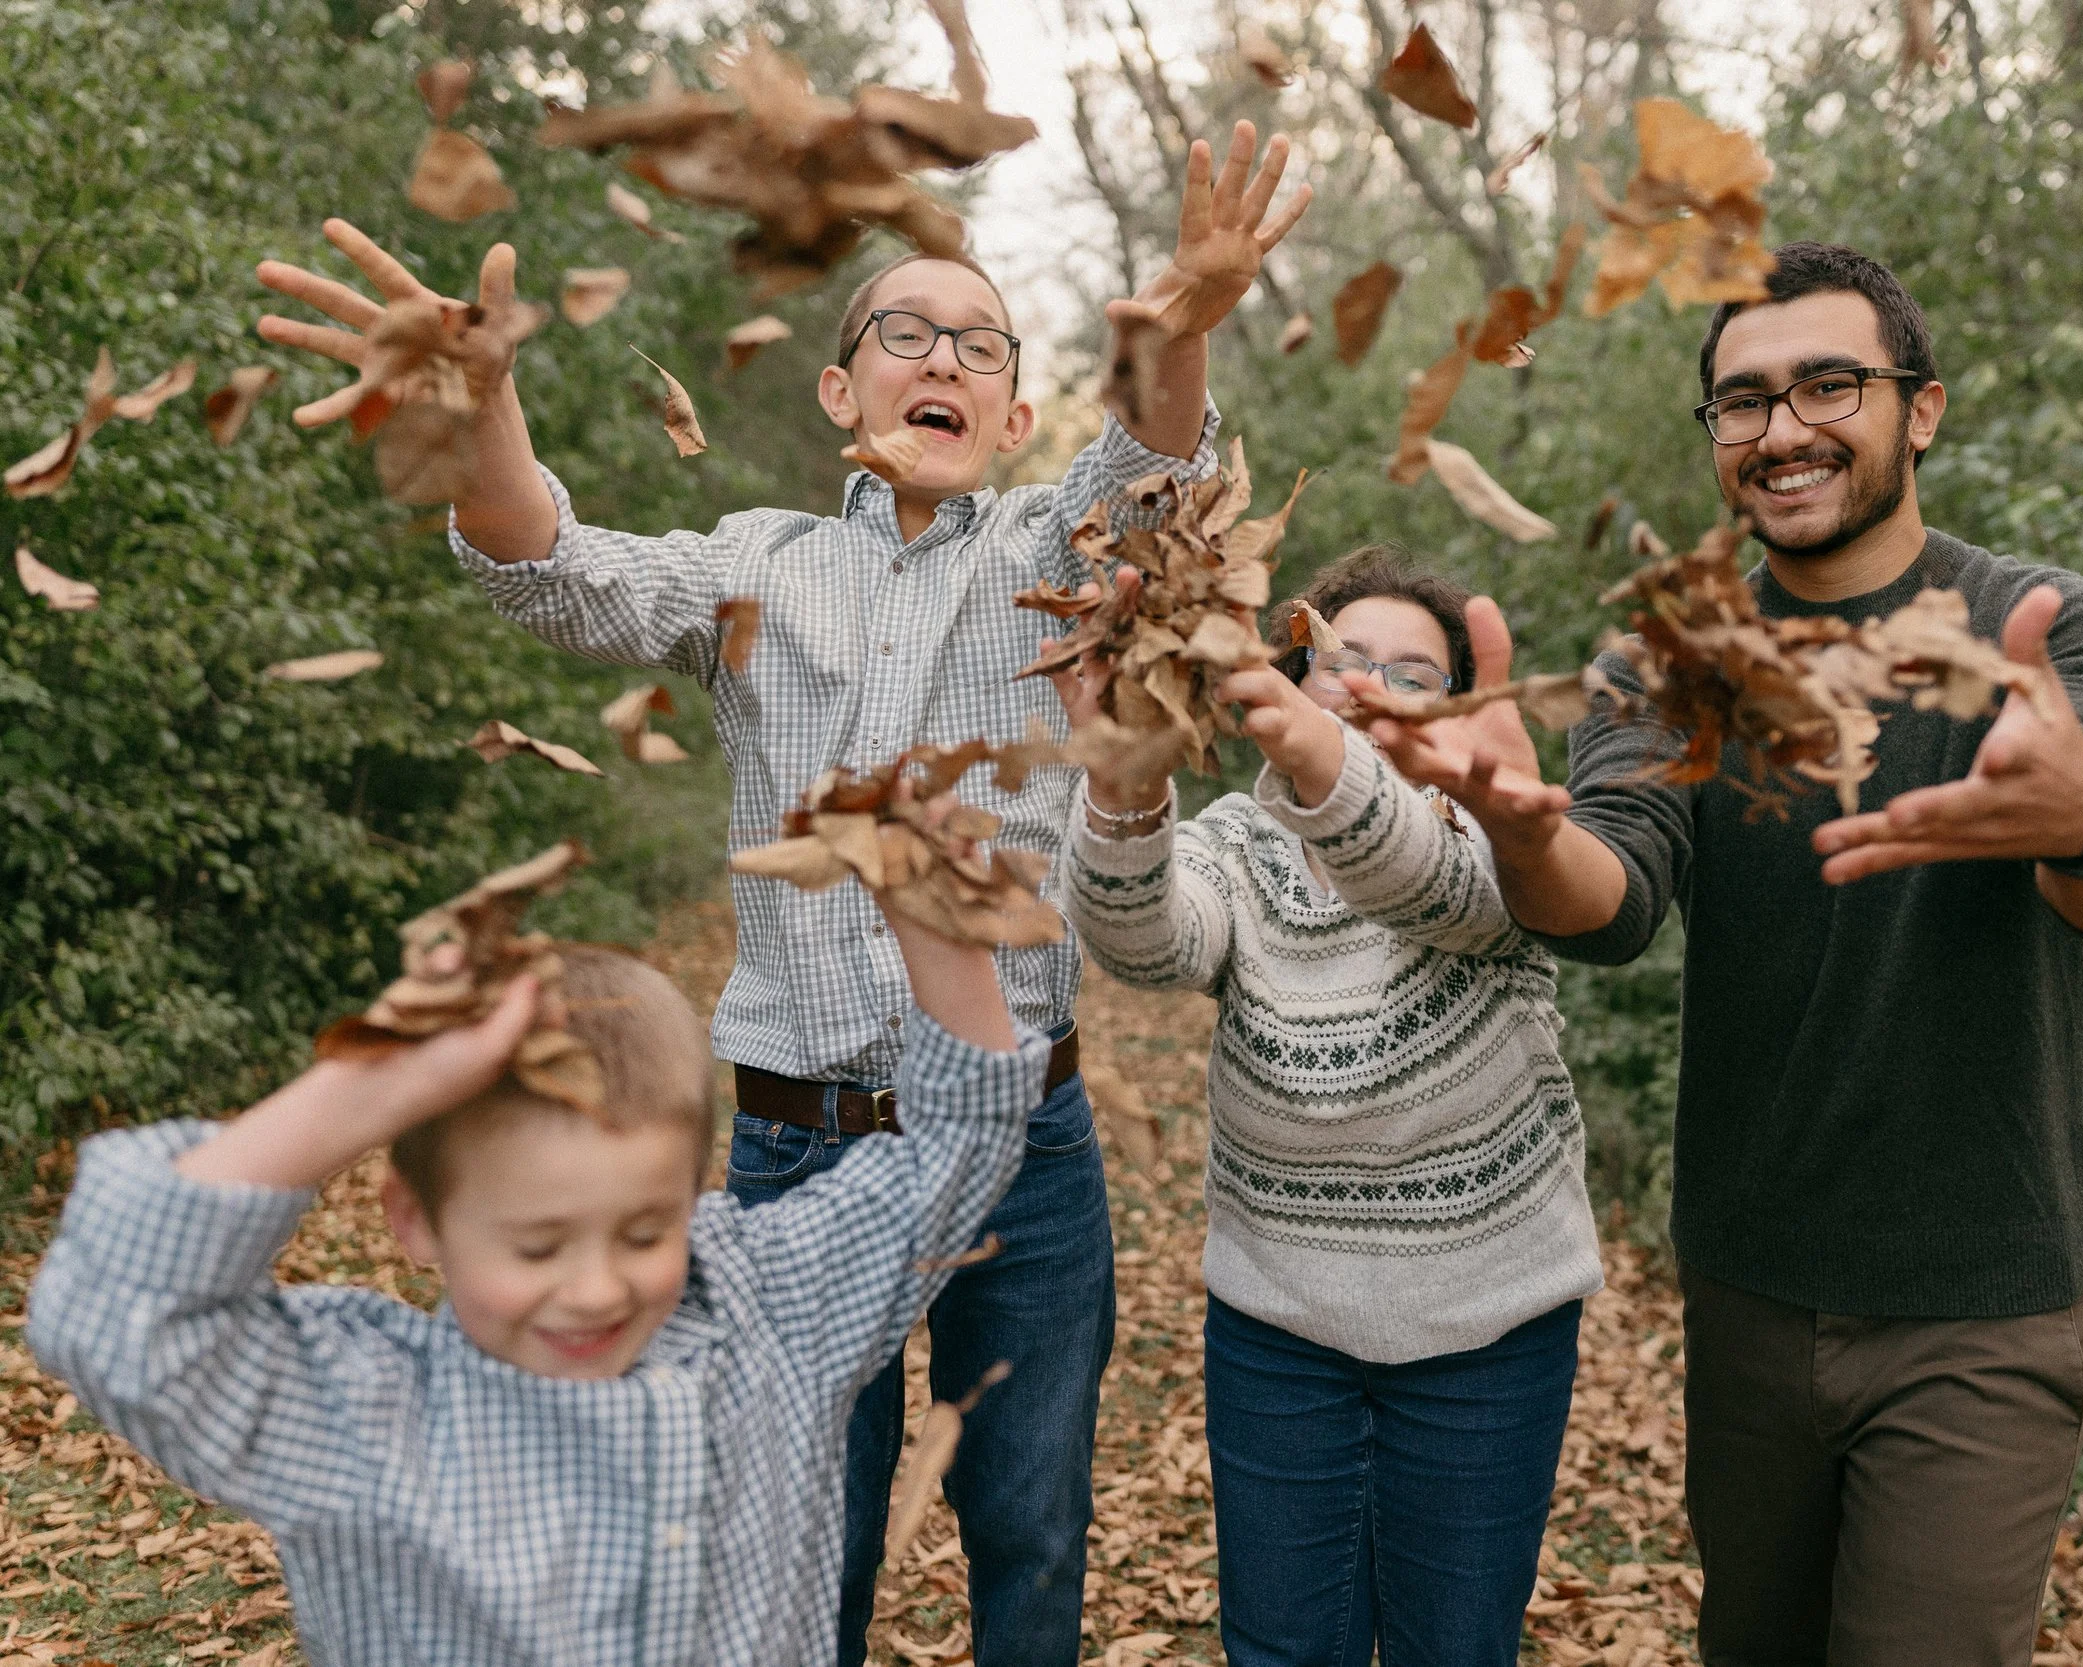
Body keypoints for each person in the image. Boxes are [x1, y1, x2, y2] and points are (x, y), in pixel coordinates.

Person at [250, 122, 1308, 1667]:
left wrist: (1190, 317)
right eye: (906, 331)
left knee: (1034, 1523)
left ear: (1015, 409)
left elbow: (1155, 471)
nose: (941, 355)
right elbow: (555, 567)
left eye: (981, 342)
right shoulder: (758, 562)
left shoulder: (1050, 543)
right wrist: (485, 412)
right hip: (797, 1151)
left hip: (1027, 1144)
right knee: (801, 1520)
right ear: (843, 389)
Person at [1358, 243, 2083, 1666]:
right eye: (1743, 400)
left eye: (1830, 384)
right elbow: (1613, 892)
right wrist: (1514, 829)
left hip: (1982, 1305)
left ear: (1918, 408)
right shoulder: (1668, 656)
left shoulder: (2045, 631)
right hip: (1750, 1284)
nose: (1784, 427)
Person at [28, 875, 1045, 1664]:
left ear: (697, 1190)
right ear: (416, 1218)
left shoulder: (770, 1302)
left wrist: (939, 935)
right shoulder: (355, 1411)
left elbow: (956, 1150)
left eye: (645, 1228)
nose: (598, 1287)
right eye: (536, 1244)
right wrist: (370, 1087)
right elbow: (117, 1309)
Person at [1054, 547, 1603, 1667]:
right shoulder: (1240, 845)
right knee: (1280, 1649)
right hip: (1280, 1333)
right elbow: (1147, 942)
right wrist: (1125, 782)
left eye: (1411, 673)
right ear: (1296, 673)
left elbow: (1421, 881)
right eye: (1345, 661)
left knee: (1454, 1648)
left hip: (1487, 1335)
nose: (1368, 689)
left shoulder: (1499, 839)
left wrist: (1316, 757)